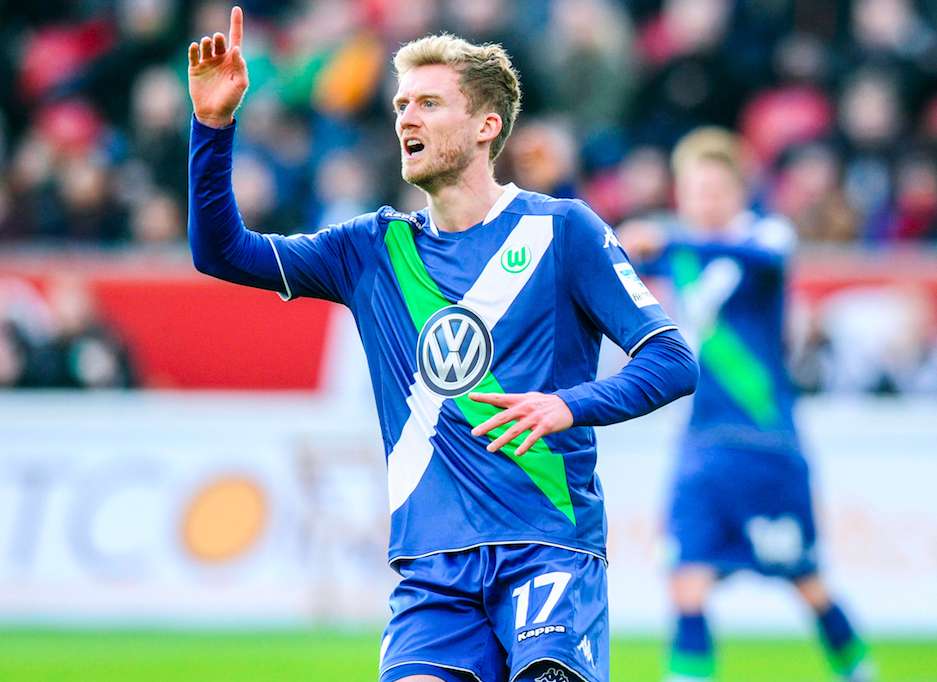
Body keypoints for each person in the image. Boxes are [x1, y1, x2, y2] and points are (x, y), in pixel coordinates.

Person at [187, 8, 698, 681]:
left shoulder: (562, 230)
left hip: (546, 547)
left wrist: (568, 405)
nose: (407, 118)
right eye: (401, 104)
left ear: (486, 125)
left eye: (429, 103)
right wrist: (213, 126)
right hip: (432, 568)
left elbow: (672, 360)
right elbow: (222, 252)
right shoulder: (370, 249)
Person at [619, 128, 873, 682]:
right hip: (701, 442)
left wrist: (664, 240)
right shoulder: (682, 255)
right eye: (695, 190)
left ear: (739, 192)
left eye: (716, 189)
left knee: (806, 582)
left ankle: (861, 671)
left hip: (765, 443)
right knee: (687, 578)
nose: (705, 201)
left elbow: (756, 255)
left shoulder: (765, 237)